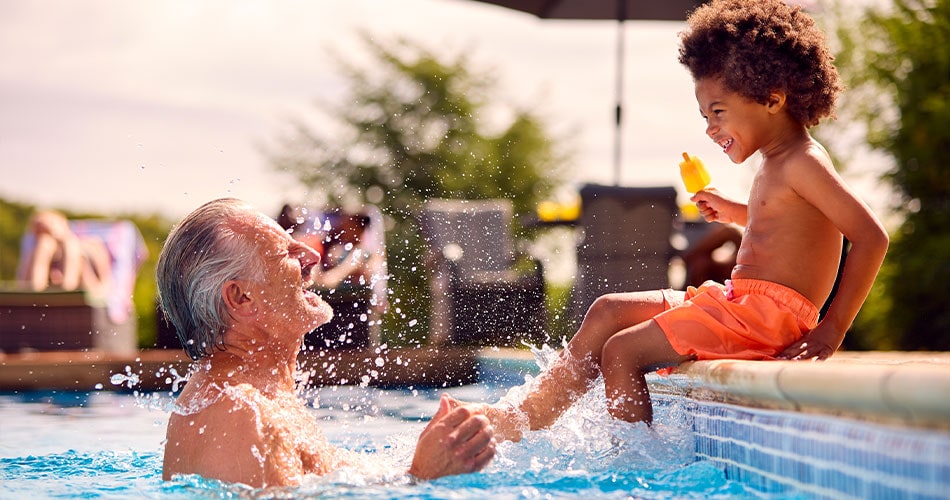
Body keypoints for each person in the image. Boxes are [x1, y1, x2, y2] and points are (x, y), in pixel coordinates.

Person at [453, 0, 889, 442]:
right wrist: (733, 211)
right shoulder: (778, 162)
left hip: (765, 316)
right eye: (705, 116)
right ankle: (524, 416)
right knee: (607, 311)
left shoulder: (804, 162)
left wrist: (832, 330)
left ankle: (633, 463)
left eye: (718, 112)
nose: (709, 129)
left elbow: (871, 237)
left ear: (772, 98)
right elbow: (784, 224)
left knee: (622, 351)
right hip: (741, 304)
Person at [156, 198, 495, 487]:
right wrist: (422, 477)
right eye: (285, 252)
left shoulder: (251, 399)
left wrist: (540, 402)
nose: (312, 257)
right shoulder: (244, 418)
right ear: (242, 297)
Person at [19, 209, 112, 298]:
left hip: (88, 295)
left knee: (70, 244)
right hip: (46, 298)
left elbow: (105, 287)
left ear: (64, 224)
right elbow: (24, 284)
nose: (46, 234)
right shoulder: (39, 249)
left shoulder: (91, 245)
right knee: (45, 246)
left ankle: (65, 294)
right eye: (39, 231)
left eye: (50, 225)